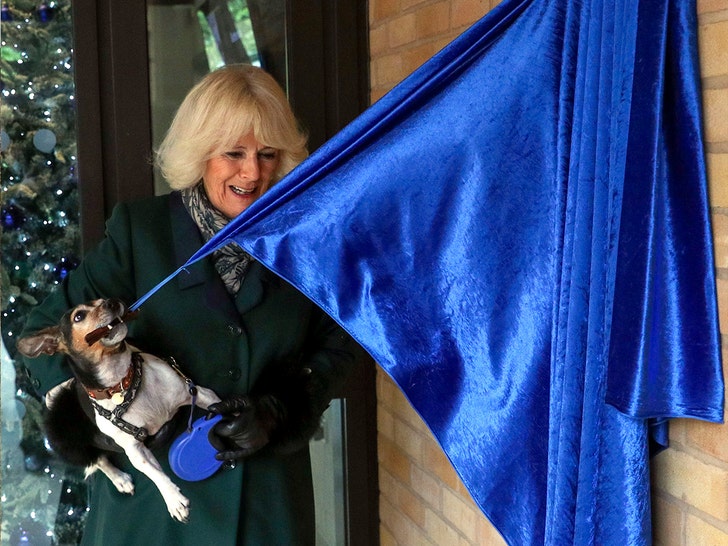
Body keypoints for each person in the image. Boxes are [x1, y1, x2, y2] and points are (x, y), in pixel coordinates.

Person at [20, 64, 360, 545]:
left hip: (264, 510)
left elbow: (339, 342)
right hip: (152, 512)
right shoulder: (141, 233)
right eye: (234, 153)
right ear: (201, 153)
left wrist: (282, 408)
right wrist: (103, 419)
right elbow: (47, 330)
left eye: (268, 154)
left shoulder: (303, 241)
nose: (253, 172)